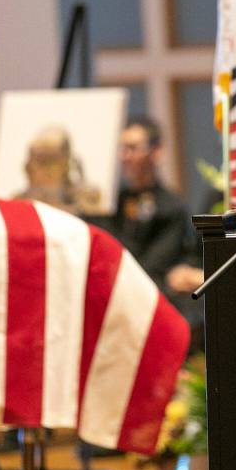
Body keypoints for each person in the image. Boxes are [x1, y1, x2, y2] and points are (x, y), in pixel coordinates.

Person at [95, 117, 204, 350]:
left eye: (133, 148)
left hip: (152, 306)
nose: (125, 156)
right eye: (123, 148)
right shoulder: (109, 204)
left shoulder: (171, 206)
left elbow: (154, 265)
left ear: (156, 152)